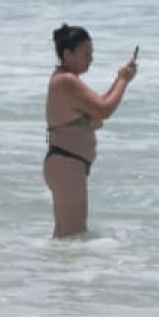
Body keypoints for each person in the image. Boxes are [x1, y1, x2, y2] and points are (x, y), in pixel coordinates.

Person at [44, 24, 138, 238]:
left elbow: (99, 104)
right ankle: (67, 272)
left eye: (92, 53)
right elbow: (104, 109)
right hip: (67, 163)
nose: (91, 59)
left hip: (66, 163)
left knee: (65, 236)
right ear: (68, 54)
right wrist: (124, 80)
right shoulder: (66, 81)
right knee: (73, 236)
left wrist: (121, 77)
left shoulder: (65, 79)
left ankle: (53, 271)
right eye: (86, 54)